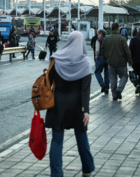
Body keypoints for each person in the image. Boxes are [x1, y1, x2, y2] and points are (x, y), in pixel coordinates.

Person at [45, 31, 95, 177]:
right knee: (81, 137)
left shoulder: (56, 58)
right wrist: (86, 110)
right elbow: (85, 90)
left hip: (58, 103)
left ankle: (56, 174)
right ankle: (87, 169)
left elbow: (48, 80)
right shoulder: (85, 62)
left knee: (56, 140)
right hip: (77, 105)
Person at [101, 23, 132, 100]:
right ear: (118, 29)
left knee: (113, 79)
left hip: (110, 62)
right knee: (124, 76)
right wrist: (130, 61)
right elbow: (127, 51)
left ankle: (114, 95)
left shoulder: (106, 39)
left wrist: (107, 59)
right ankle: (119, 89)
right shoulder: (122, 39)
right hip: (121, 62)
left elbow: (102, 51)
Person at [94, 29, 109, 94]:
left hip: (100, 57)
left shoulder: (98, 40)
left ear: (101, 34)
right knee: (107, 73)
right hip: (108, 58)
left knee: (97, 72)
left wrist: (96, 56)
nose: (98, 36)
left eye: (98, 34)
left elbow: (97, 50)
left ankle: (102, 84)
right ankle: (107, 89)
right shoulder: (108, 39)